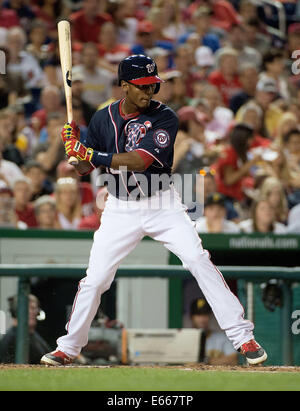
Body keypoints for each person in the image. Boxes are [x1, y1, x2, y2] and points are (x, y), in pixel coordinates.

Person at [41, 54, 267, 367]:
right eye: (142, 86)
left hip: (161, 203)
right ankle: (67, 347)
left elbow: (139, 160)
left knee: (197, 260)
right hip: (120, 207)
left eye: (153, 85)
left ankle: (243, 337)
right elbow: (83, 168)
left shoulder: (166, 117)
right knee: (95, 280)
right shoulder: (102, 117)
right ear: (124, 86)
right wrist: (73, 149)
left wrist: (90, 152)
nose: (149, 92)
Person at [0, 294, 50, 364]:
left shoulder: (32, 334)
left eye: (34, 308)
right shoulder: (12, 339)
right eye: (28, 308)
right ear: (15, 312)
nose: (33, 312)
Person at [190, 297, 239, 366]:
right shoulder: (184, 339)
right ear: (191, 317)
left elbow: (234, 360)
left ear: (210, 316)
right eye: (198, 315)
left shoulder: (222, 338)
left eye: (205, 315)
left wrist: (205, 360)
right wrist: (217, 360)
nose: (202, 319)